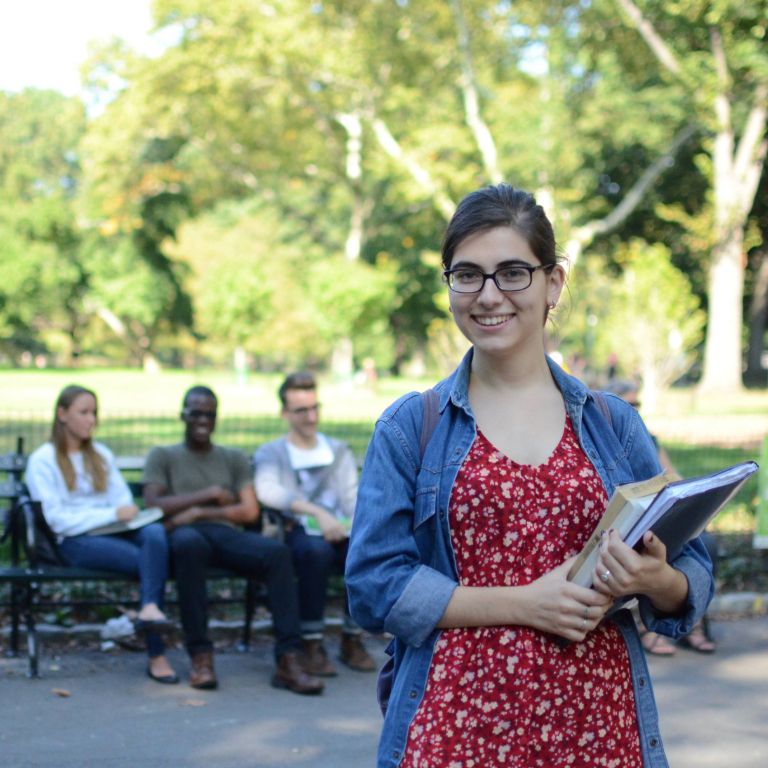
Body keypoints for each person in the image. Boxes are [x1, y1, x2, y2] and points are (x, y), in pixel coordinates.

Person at [345, 183, 715, 767]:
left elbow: (692, 566)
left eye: (512, 272)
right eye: (467, 274)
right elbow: (373, 586)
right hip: (457, 724)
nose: (489, 295)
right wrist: (522, 603)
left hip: (599, 723)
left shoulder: (611, 424)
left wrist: (654, 579)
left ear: (553, 283)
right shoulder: (410, 427)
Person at [142, 385, 324, 695]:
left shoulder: (232, 457)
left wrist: (197, 510)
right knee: (189, 545)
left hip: (224, 534)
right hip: (185, 539)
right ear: (182, 415)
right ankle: (201, 655)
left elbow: (250, 511)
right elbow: (153, 504)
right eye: (196, 413)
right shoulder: (162, 455)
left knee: (277, 553)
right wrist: (211, 494)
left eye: (210, 414)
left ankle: (289, 659)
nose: (203, 420)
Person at [25, 385, 177, 684]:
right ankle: (156, 653)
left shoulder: (101, 455)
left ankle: (147, 610)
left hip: (116, 533)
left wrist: (124, 514)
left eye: (94, 412)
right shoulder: (43, 461)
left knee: (155, 533)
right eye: (84, 412)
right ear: (62, 414)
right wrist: (109, 515)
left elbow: (122, 502)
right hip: (73, 542)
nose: (91, 419)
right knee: (148, 561)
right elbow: (57, 522)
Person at [253, 372, 375, 677]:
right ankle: (312, 643)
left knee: (364, 548)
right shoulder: (272, 452)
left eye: (314, 408)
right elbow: (267, 490)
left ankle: (352, 637)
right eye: (301, 411)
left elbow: (351, 497)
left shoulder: (337, 450)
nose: (310, 417)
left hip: (341, 529)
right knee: (315, 552)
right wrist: (316, 513)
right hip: (298, 533)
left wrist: (358, 525)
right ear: (284, 413)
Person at [606, 378, 718, 656]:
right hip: (625, 522)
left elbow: (671, 479)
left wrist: (697, 506)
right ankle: (648, 629)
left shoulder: (646, 437)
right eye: (628, 403)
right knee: (642, 547)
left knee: (705, 543)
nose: (633, 409)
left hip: (658, 514)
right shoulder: (603, 439)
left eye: (637, 403)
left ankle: (693, 625)